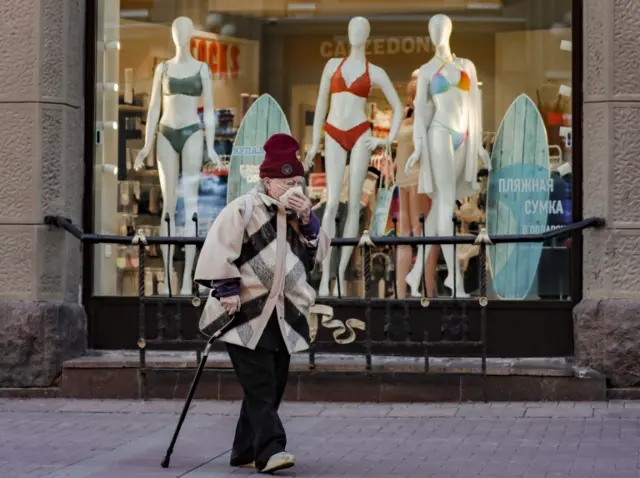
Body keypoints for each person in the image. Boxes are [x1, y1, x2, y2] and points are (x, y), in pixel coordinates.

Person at [194, 133, 329, 474]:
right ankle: (270, 451)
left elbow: (322, 252)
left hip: (283, 316)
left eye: (297, 181)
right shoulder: (243, 208)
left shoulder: (300, 218)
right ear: (267, 181)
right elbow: (219, 249)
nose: (292, 188)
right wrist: (226, 290)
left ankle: (243, 451)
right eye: (285, 182)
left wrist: (309, 219)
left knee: (272, 384)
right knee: (261, 386)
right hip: (243, 313)